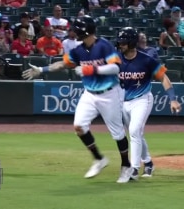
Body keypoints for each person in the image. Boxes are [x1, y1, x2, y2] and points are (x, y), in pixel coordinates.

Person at [22, 16, 134, 183]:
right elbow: (62, 64)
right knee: (79, 126)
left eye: (77, 29)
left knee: (118, 134)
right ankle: (99, 159)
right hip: (89, 93)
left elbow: (116, 67)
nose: (74, 31)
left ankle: (126, 166)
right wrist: (41, 69)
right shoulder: (78, 50)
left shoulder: (104, 45)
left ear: (86, 31)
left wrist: (91, 69)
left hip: (110, 93)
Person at [117, 27, 181, 179]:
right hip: (123, 102)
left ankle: (133, 169)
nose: (121, 45)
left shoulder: (146, 60)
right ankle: (149, 162)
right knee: (136, 133)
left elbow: (164, 78)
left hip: (142, 99)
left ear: (132, 42)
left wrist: (172, 99)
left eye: (124, 42)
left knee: (133, 131)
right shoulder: (116, 59)